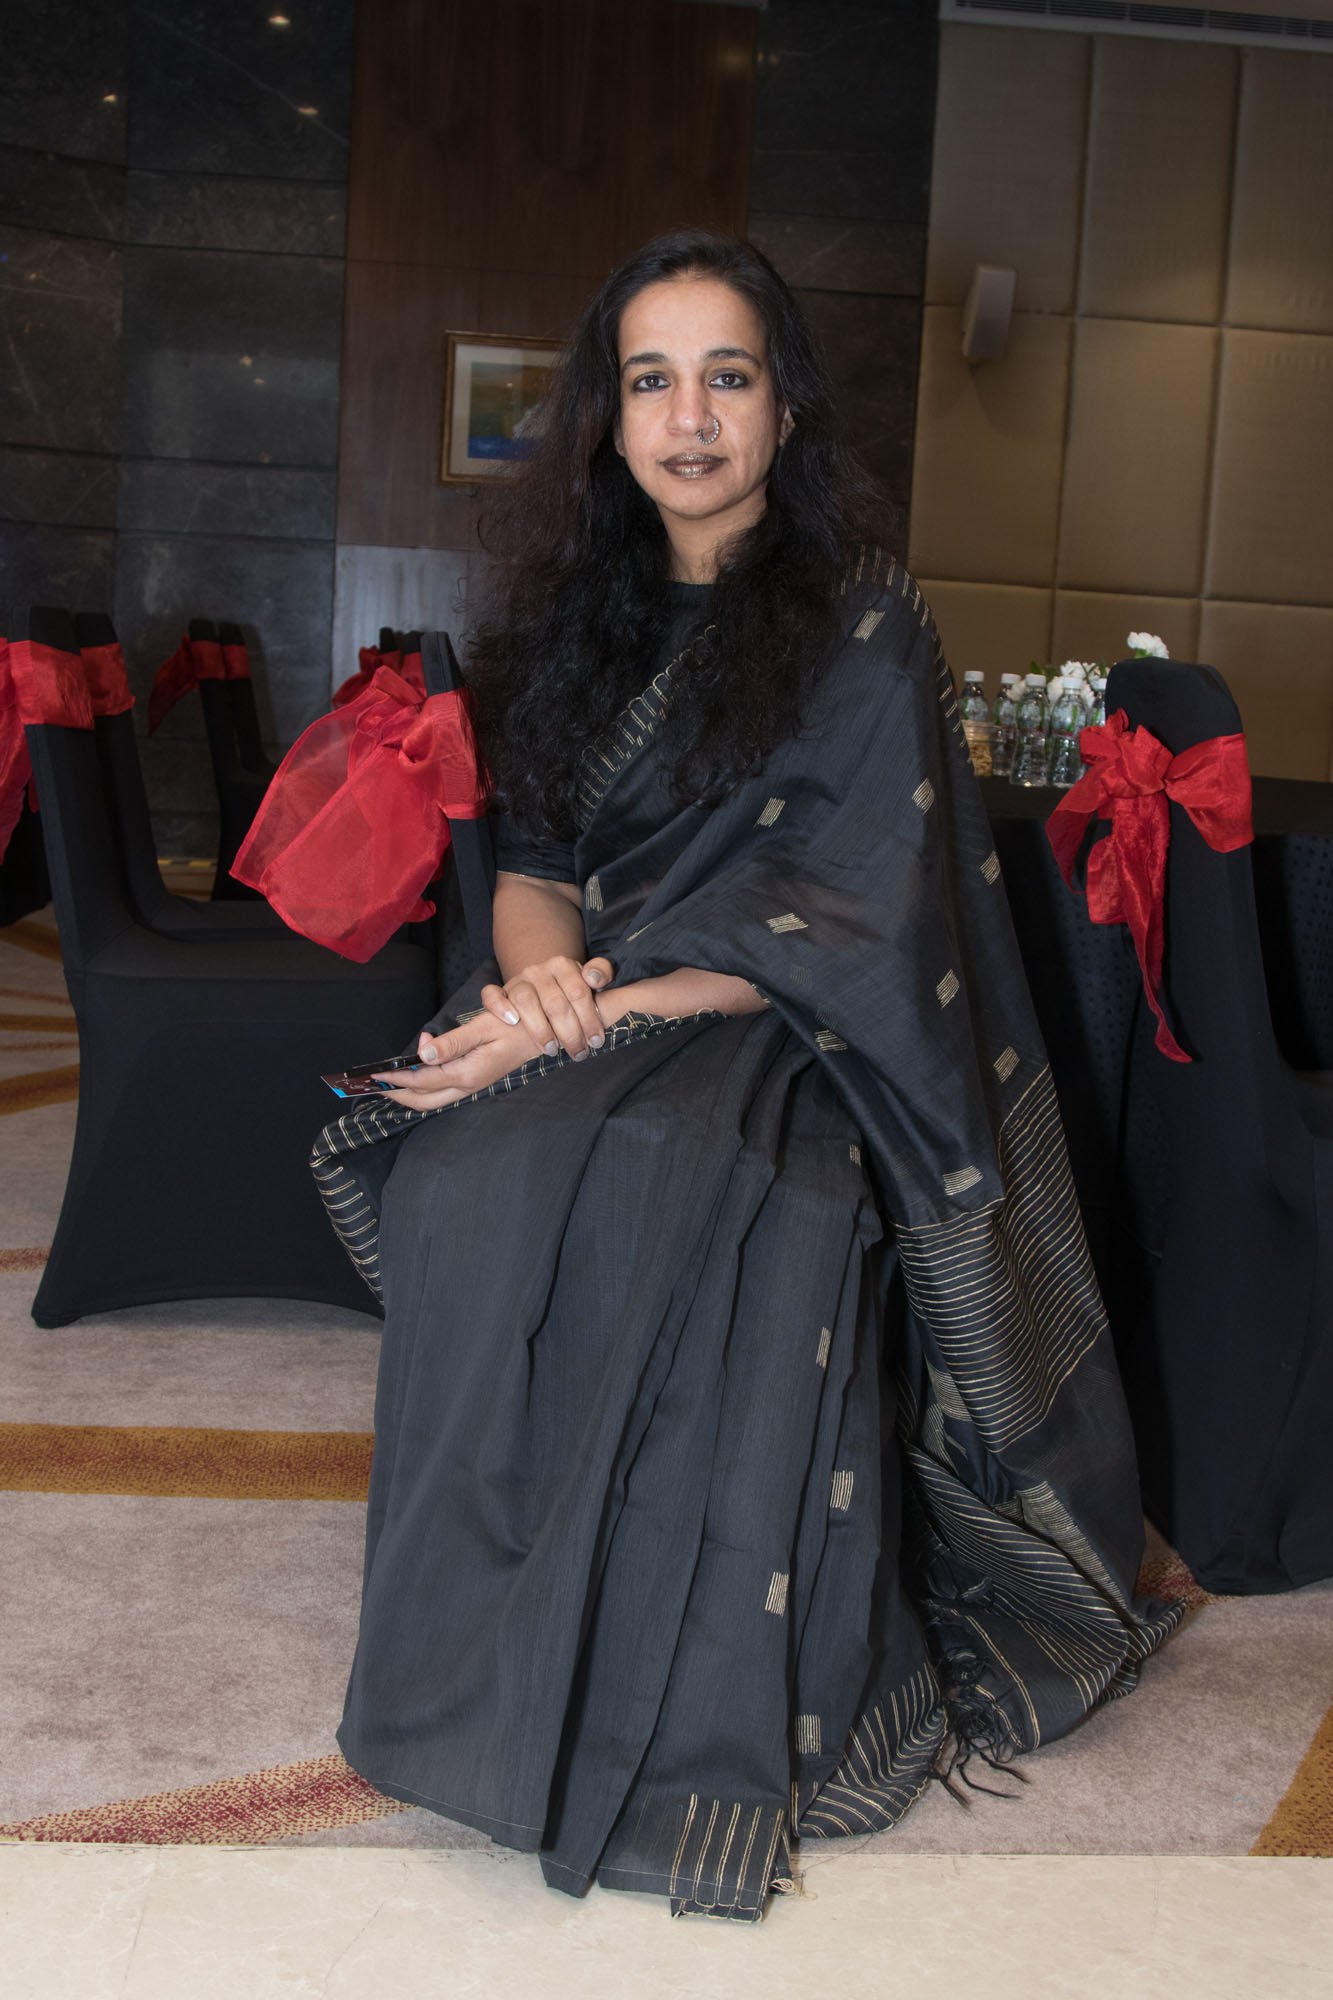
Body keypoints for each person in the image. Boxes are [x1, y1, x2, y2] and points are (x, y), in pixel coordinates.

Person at [311, 229, 1179, 1921]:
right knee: (465, 1176)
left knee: (686, 1195)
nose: (689, 417)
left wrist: (599, 1009)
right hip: (604, 1004)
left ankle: (673, 1682)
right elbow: (536, 861)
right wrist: (541, 980)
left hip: (793, 1026)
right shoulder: (572, 615)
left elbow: (853, 913)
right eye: (651, 381)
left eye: (728, 376)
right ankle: (482, 1664)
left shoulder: (867, 617)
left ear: (785, 409)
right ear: (608, 416)